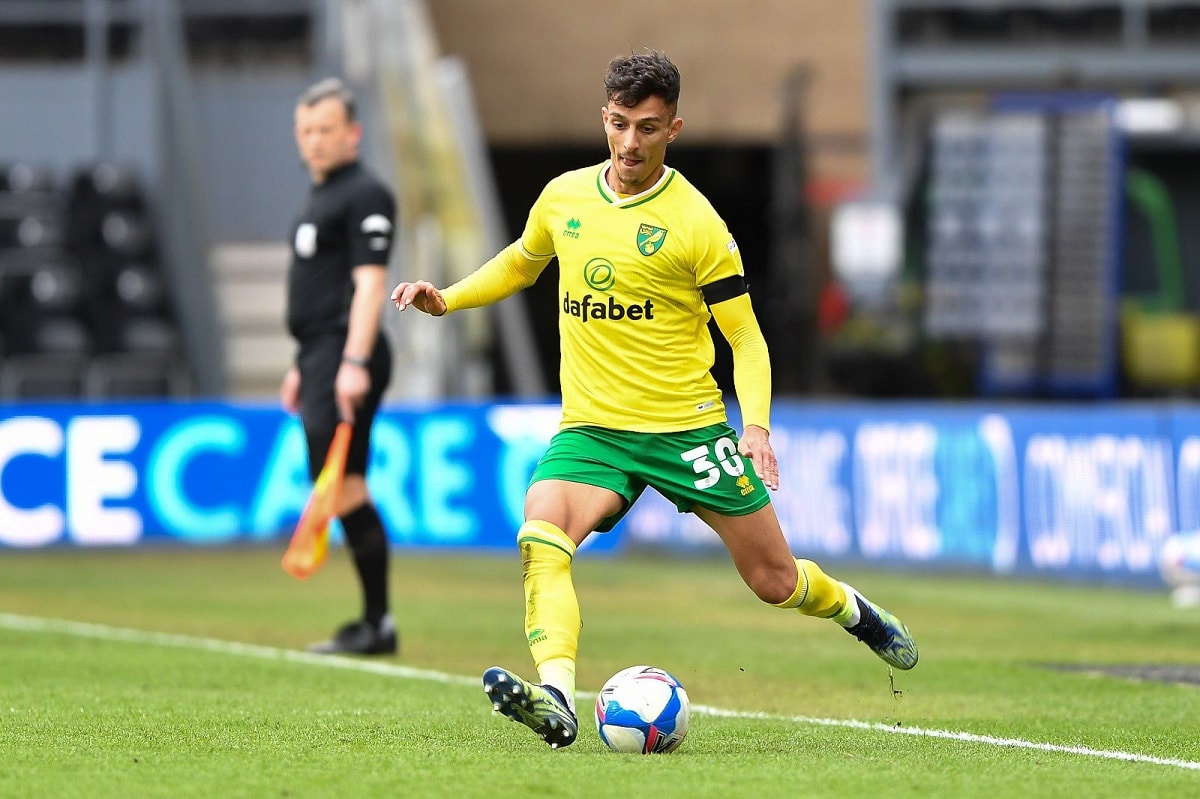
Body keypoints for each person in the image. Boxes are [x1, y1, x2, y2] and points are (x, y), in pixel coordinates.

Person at [391, 51, 917, 747]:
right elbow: (522, 260)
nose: (630, 142)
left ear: (673, 128)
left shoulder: (697, 223)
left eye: (646, 127)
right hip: (594, 429)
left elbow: (746, 338)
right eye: (618, 123)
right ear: (603, 118)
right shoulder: (565, 198)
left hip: (686, 430)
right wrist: (449, 298)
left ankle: (855, 612)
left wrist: (756, 428)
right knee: (542, 534)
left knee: (775, 580)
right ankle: (557, 697)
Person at [282, 77, 397, 656]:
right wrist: (302, 365)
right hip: (320, 355)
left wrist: (351, 361)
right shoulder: (321, 195)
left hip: (345, 354)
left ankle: (377, 623)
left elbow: (369, 285)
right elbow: (320, 288)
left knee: (346, 486)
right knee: (344, 485)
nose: (314, 140)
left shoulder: (366, 194)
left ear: (353, 133)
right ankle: (375, 622)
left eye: (325, 129)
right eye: (305, 130)